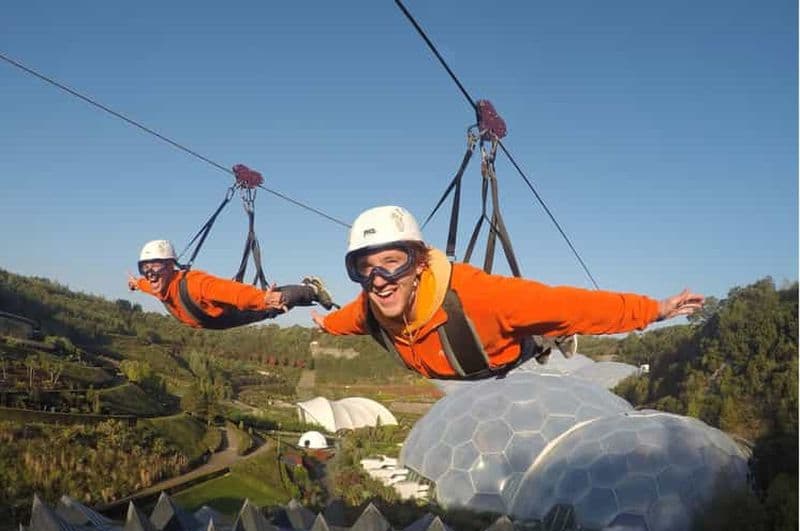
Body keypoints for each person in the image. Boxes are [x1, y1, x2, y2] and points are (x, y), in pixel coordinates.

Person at [311, 205, 704, 380]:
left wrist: (655, 310)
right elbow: (344, 320)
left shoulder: (484, 298)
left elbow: (580, 306)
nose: (379, 279)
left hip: (506, 352)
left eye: (392, 262)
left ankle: (552, 339)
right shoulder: (368, 307)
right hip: (464, 365)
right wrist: (325, 323)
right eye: (364, 268)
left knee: (548, 323)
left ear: (420, 263)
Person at [129, 239, 334, 329]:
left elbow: (234, 292)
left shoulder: (195, 284)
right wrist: (136, 283)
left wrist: (261, 299)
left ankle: (311, 289)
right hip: (213, 322)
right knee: (269, 304)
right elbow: (147, 284)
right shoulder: (158, 286)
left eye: (155, 268)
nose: (151, 275)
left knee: (272, 306)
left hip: (230, 314)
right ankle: (298, 292)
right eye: (145, 270)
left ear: (171, 266)